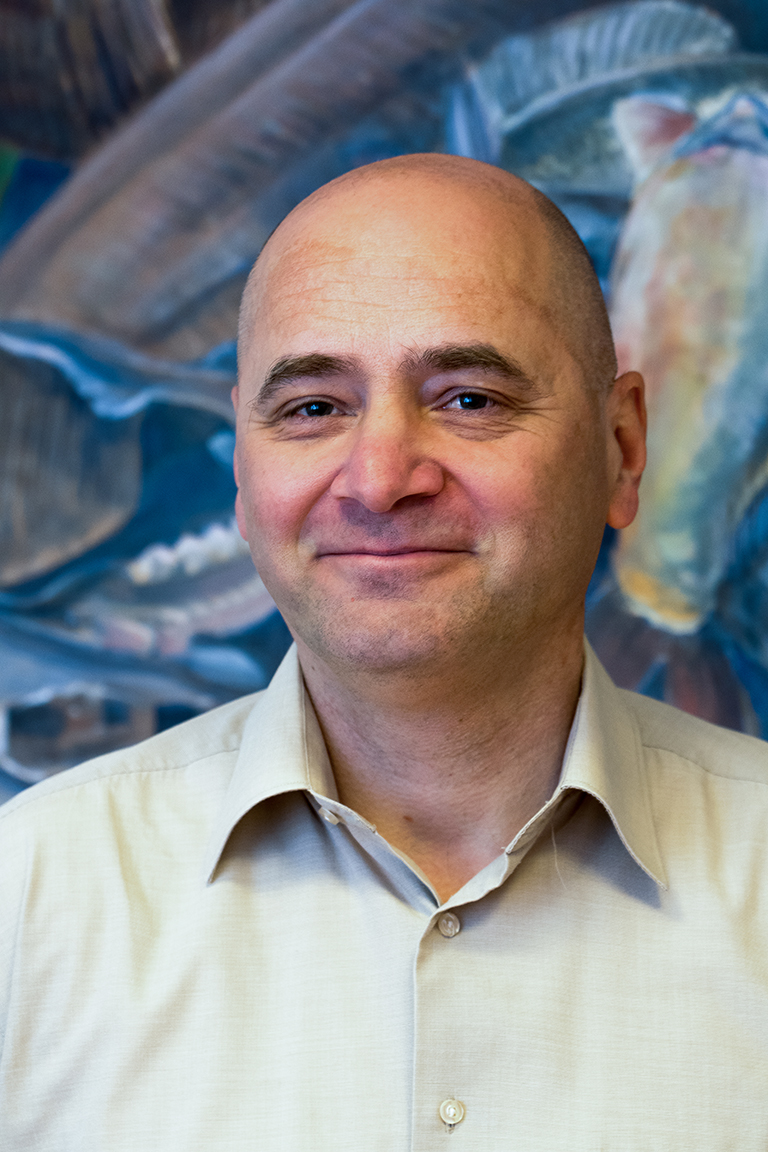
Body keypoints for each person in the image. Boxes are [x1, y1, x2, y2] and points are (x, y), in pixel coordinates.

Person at [2, 153, 768, 1150]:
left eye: (469, 399)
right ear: (242, 470)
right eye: (313, 408)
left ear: (621, 449)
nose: (378, 478)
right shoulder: (29, 899)